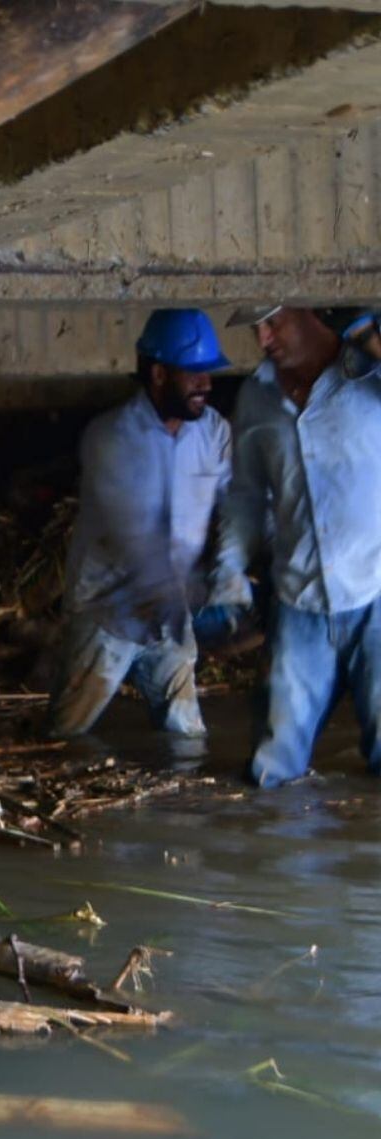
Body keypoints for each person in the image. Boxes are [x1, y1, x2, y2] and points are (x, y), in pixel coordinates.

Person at [208, 305, 381, 787]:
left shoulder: (368, 373)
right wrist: (229, 567)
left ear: (310, 309)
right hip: (298, 601)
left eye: (272, 322)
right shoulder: (256, 397)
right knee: (273, 767)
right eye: (255, 327)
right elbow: (245, 494)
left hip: (376, 593)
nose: (262, 339)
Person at [47, 308, 233, 739]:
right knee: (65, 736)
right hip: (107, 613)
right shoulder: (111, 438)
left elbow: (236, 503)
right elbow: (136, 536)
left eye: (208, 372)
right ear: (159, 374)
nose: (206, 383)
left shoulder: (213, 433)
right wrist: (206, 599)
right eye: (194, 373)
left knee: (187, 738)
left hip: (170, 613)